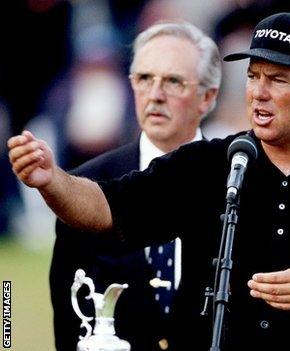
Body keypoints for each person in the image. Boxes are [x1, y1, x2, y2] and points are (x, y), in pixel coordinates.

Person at [8, 12, 290, 350]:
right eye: (252, 76)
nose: (258, 93)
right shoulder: (211, 163)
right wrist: (52, 181)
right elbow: (106, 208)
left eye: (278, 79)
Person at [48, 22, 221, 351]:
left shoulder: (237, 182)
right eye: (144, 79)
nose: (155, 95)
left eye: (173, 81)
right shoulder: (86, 186)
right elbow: (68, 323)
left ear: (207, 97)